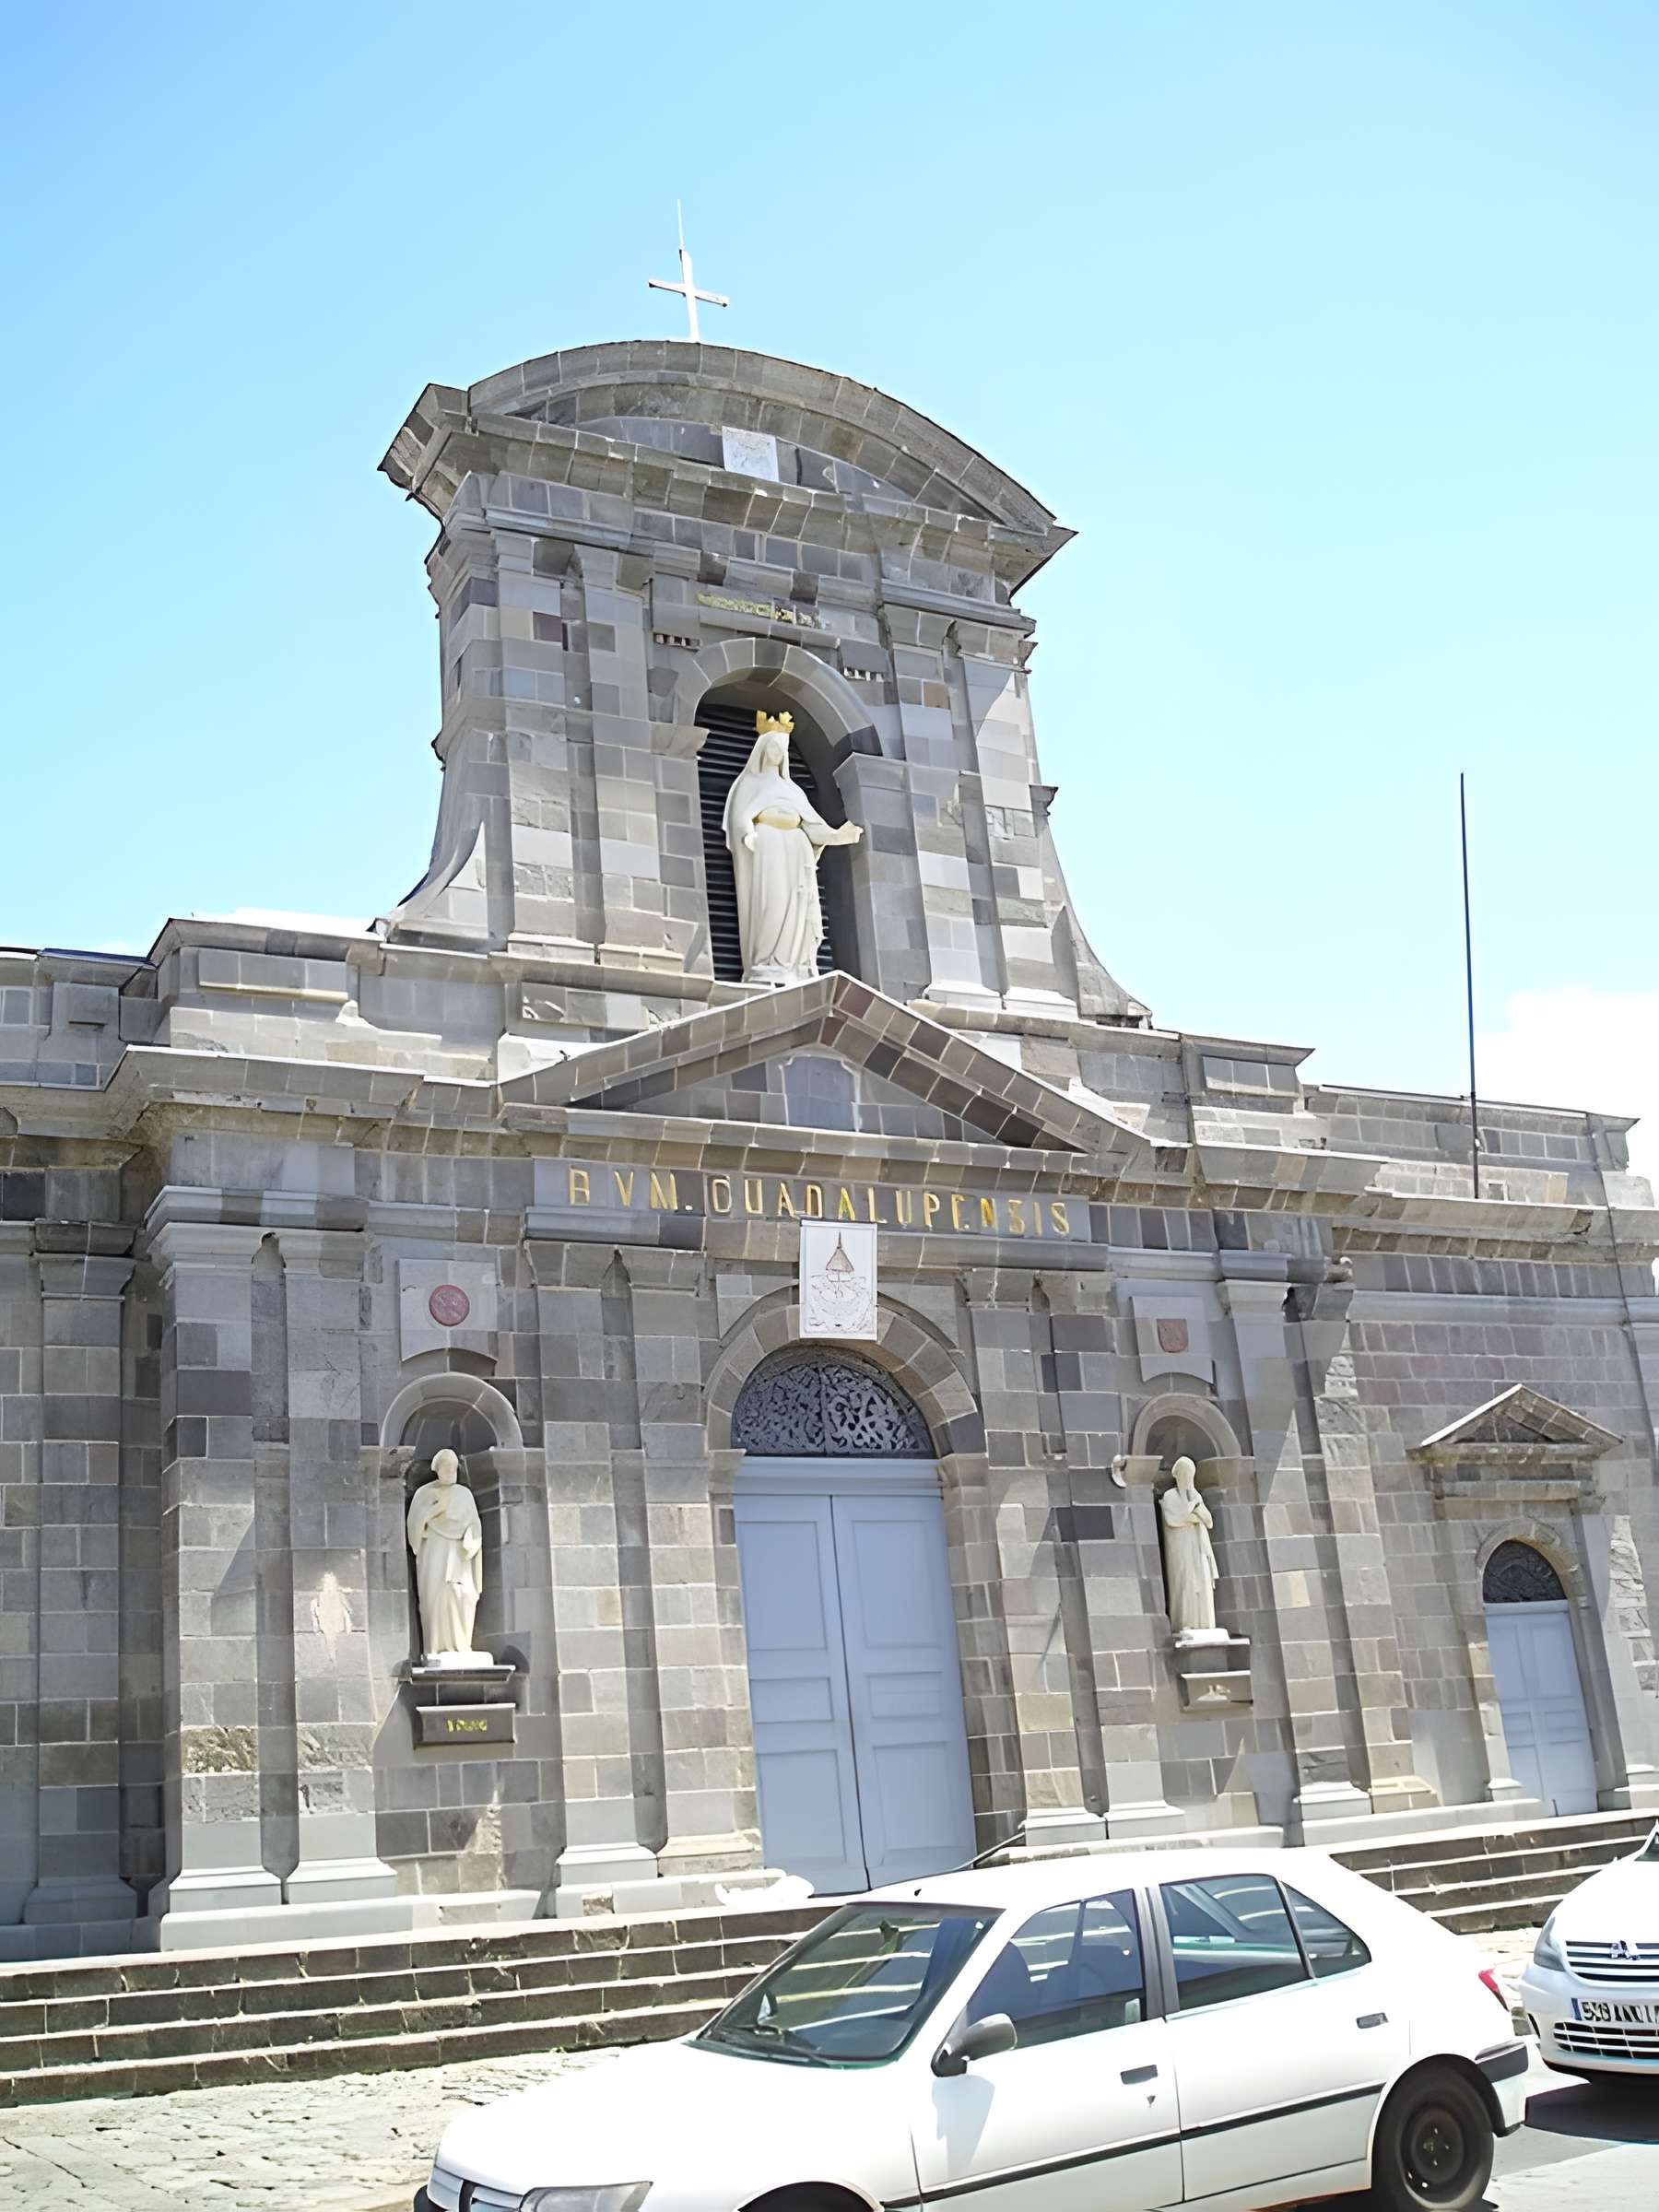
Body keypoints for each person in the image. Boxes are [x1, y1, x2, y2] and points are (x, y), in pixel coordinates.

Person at [723, 712, 862, 984]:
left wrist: (838, 835)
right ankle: (766, 962)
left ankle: (795, 965)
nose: (777, 753)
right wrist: (749, 834)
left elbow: (813, 826)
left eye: (782, 749)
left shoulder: (794, 790)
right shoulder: (749, 783)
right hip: (768, 850)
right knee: (771, 903)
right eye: (773, 747)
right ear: (762, 750)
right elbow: (740, 817)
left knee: (797, 908)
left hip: (796, 855)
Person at [406, 1447, 487, 1660]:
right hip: (435, 1554)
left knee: (464, 1595)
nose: (450, 1471)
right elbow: (414, 1527)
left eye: (453, 1467)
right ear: (437, 1469)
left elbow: (474, 1523)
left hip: (460, 1556)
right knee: (436, 1597)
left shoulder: (464, 1494)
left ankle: (462, 1646)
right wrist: (432, 1511)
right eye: (446, 1467)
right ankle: (433, 1647)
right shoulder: (425, 1494)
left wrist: (471, 1538)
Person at [1159, 1456, 1219, 1636]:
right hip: (1181, 1547)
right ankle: (1185, 1622)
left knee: (1202, 1580)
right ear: (1177, 1475)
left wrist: (1193, 1506)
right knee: (1185, 1581)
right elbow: (1174, 1518)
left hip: (1198, 1547)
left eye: (1190, 1474)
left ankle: (1205, 1622)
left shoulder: (1195, 1495)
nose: (1187, 1478)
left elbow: (1208, 1522)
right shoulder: (1170, 1496)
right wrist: (1193, 1511)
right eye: (1184, 1474)